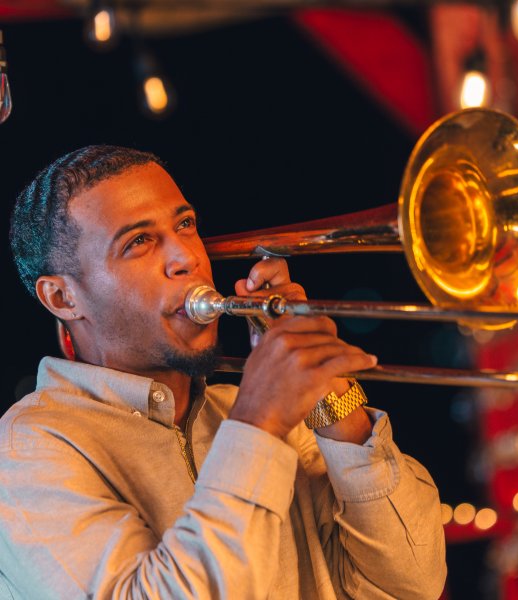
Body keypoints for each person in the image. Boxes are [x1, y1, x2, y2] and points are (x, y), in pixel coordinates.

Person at [1, 145, 446, 599]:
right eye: (138, 241)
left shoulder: (254, 415)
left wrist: (332, 400)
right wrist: (258, 424)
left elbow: (411, 584)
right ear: (62, 298)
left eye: (185, 225)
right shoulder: (28, 449)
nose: (188, 258)